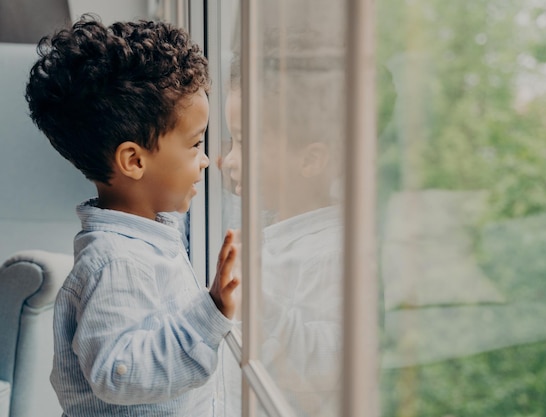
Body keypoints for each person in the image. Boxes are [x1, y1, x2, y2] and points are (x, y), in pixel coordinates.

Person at [25, 16, 239, 417]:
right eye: (194, 145)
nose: (206, 160)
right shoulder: (116, 261)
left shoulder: (147, 237)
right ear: (134, 160)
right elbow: (118, 374)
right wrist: (209, 314)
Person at [217, 54, 344, 417]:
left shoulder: (332, 252)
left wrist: (253, 296)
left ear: (309, 161)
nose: (229, 160)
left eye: (243, 142)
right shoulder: (271, 232)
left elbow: (327, 364)